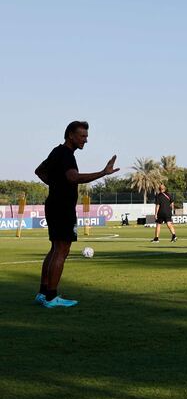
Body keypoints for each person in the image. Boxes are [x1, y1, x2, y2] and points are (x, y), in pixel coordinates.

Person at [34, 121, 119, 308]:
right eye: (82, 136)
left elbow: (39, 171)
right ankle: (51, 297)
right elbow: (73, 178)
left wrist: (55, 184)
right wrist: (103, 173)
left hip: (54, 204)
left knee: (55, 248)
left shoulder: (56, 152)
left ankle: (43, 293)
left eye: (86, 136)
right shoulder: (66, 154)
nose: (85, 140)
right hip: (62, 207)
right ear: (71, 135)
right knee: (62, 250)